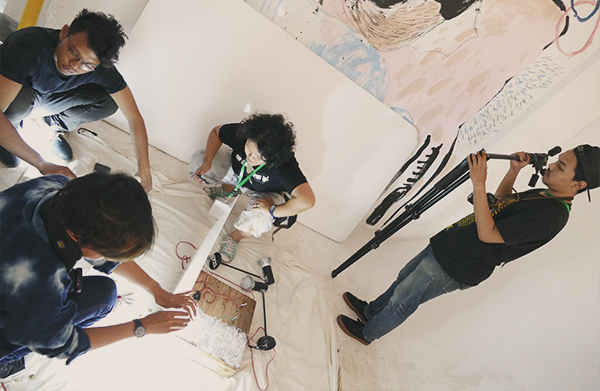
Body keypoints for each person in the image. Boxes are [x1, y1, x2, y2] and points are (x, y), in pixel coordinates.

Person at [337, 145, 600, 345]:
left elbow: (488, 233)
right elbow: (500, 204)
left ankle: (368, 333)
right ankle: (370, 311)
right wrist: (513, 171)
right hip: (453, 244)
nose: (551, 166)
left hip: (459, 264)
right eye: (557, 160)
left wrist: (478, 183)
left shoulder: (551, 216)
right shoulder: (546, 194)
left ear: (579, 184)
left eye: (561, 166)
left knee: (405, 298)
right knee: (403, 278)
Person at [0, 172, 195, 381]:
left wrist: (157, 290)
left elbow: (99, 248)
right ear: (75, 235)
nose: (108, 257)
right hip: (20, 288)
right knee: (41, 330)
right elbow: (65, 344)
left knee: (104, 293)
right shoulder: (38, 282)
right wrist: (142, 327)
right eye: (107, 252)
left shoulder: (58, 187)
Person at [0, 9, 152, 191]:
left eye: (87, 65)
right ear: (65, 32)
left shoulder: (97, 66)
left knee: (110, 102)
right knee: (21, 100)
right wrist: (42, 163)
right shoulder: (27, 45)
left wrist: (144, 170)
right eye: (73, 52)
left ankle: (49, 125)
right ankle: (9, 129)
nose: (74, 65)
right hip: (16, 96)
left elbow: (133, 116)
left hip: (46, 100)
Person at [191, 113, 316, 261]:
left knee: (261, 219)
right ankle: (228, 190)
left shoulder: (285, 165)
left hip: (266, 193)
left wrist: (272, 210)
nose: (250, 157)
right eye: (249, 148)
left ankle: (236, 237)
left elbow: (307, 200)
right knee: (199, 160)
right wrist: (207, 161)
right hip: (238, 175)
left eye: (259, 157)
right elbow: (216, 132)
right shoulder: (244, 134)